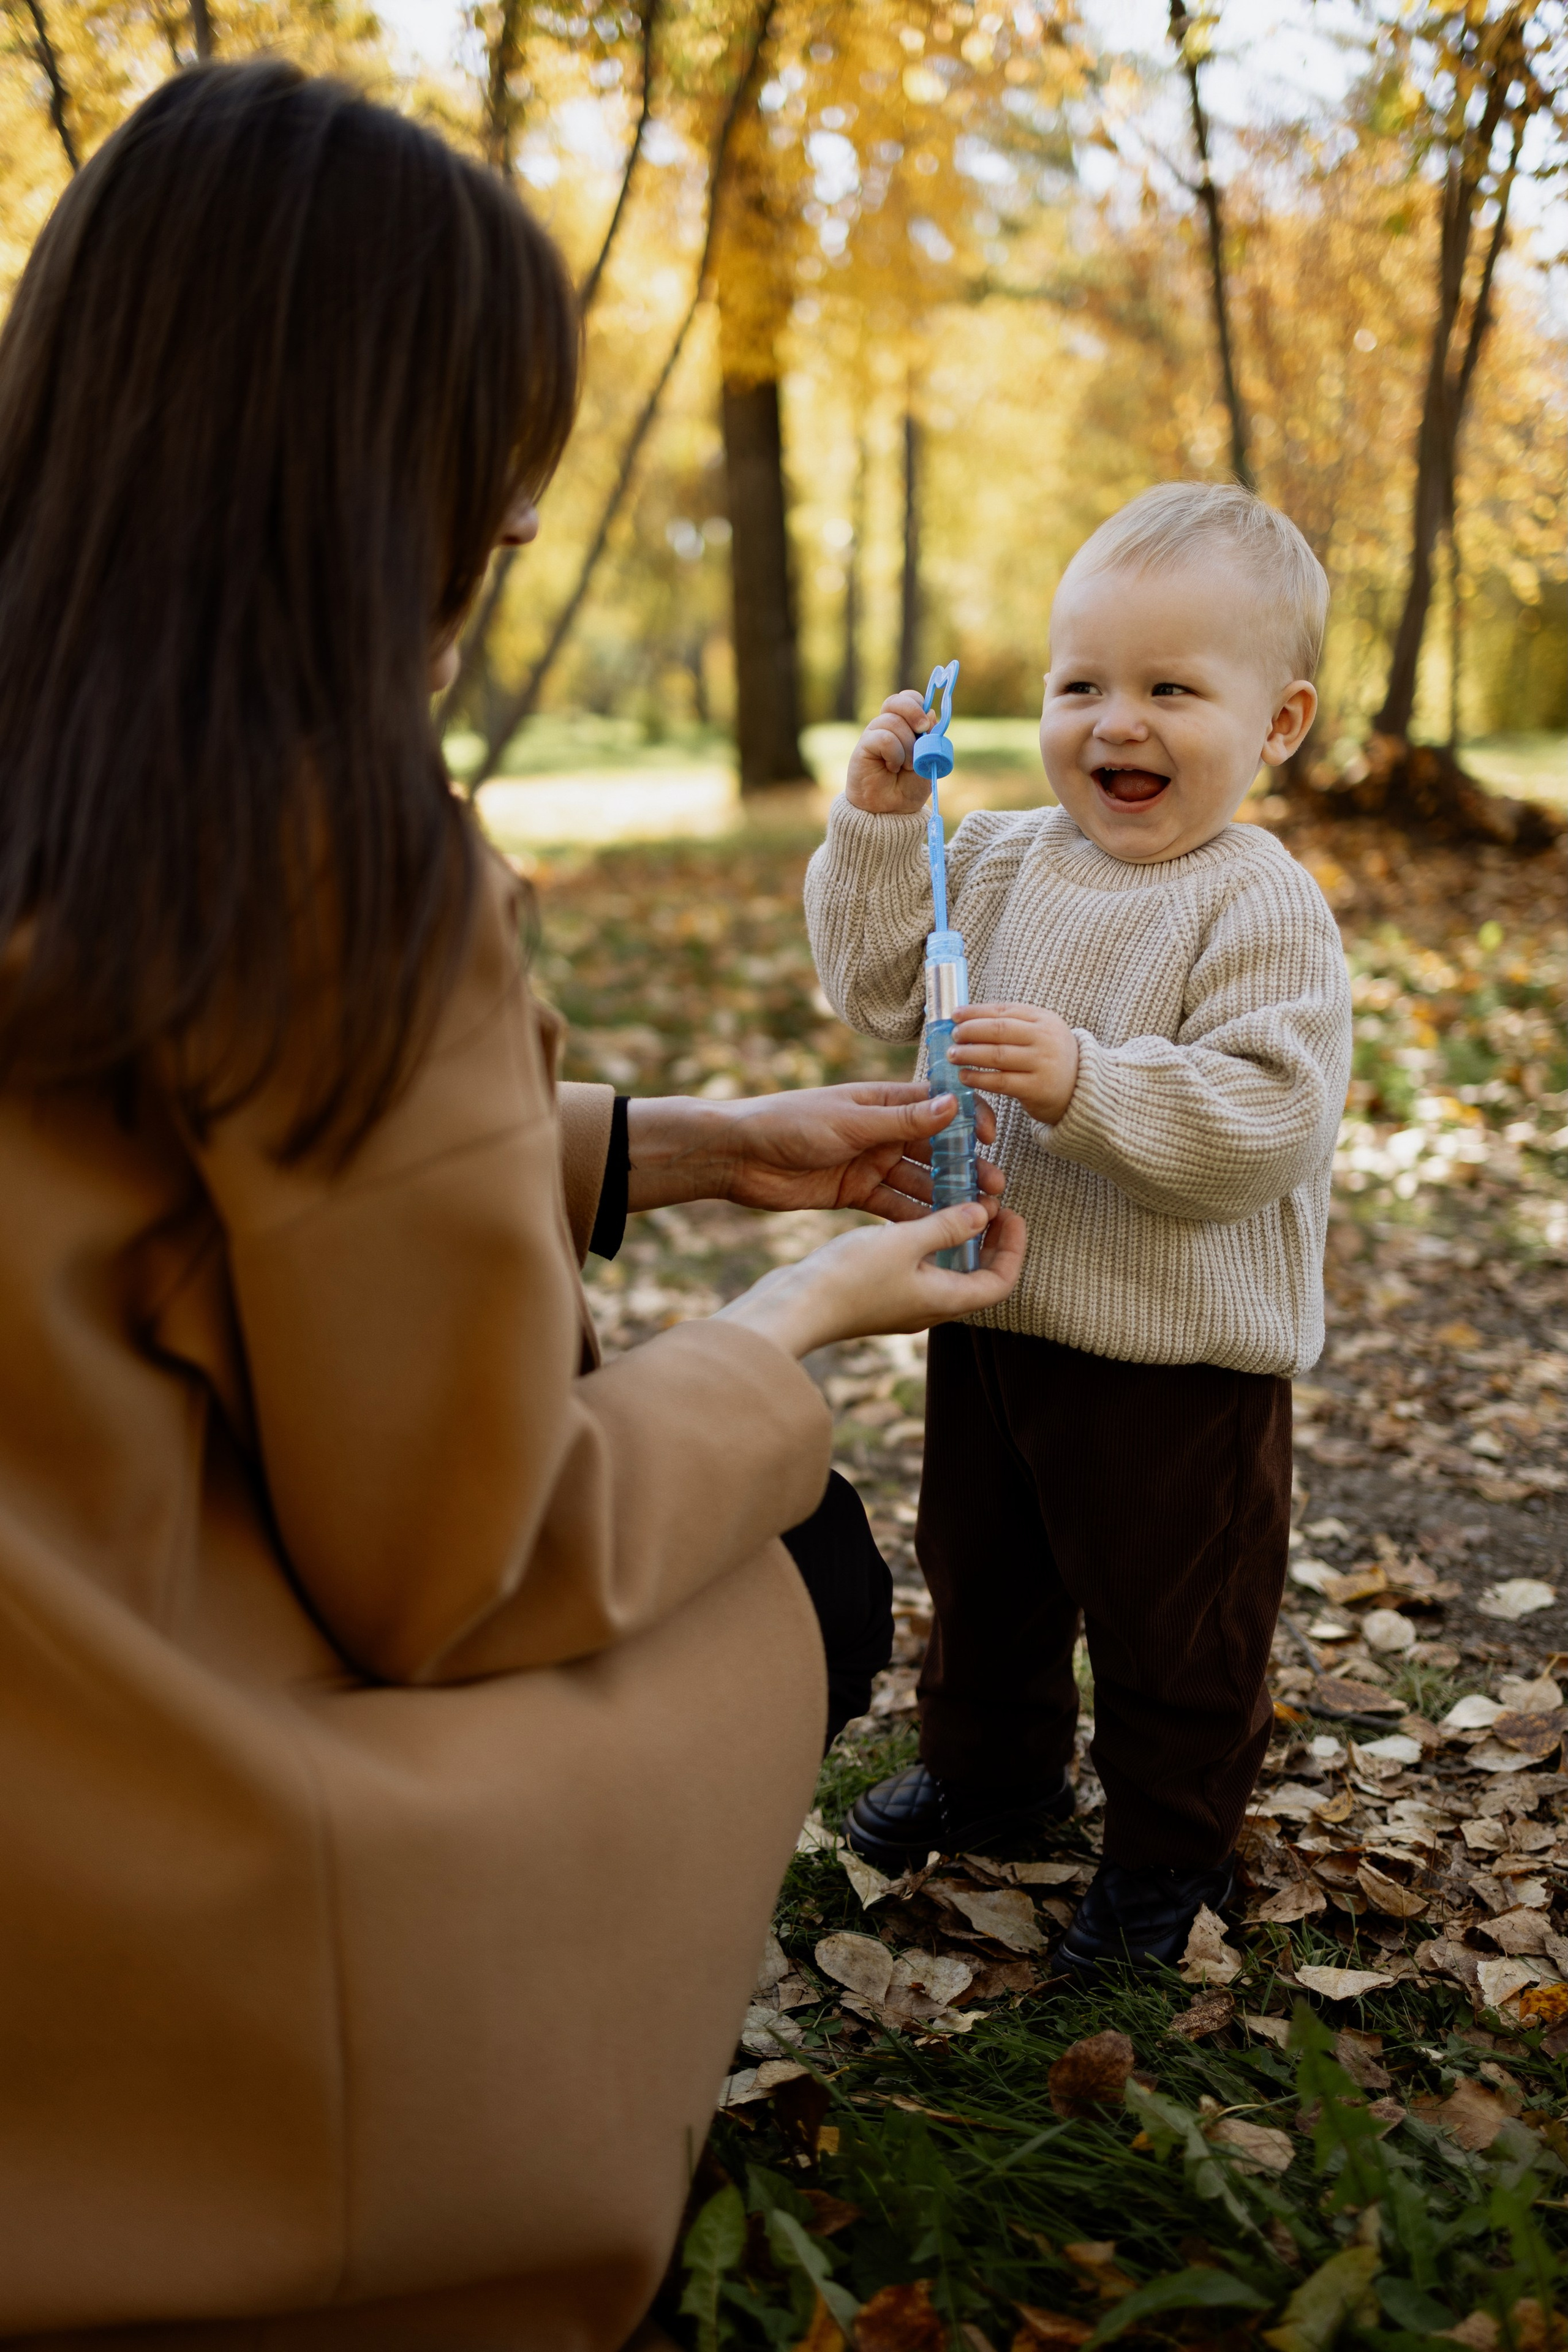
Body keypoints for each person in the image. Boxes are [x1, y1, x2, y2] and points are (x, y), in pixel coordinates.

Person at [0, 61, 1026, 2349]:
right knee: (804, 1553)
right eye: (500, 472)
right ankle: (512, 2103)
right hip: (143, 1920)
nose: (519, 528)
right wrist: (789, 1328)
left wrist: (688, 1142)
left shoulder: (82, 808)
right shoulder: (331, 868)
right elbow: (467, 1570)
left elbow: (141, 1173)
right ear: (386, 485)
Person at [805, 483, 1354, 1972]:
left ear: (1277, 724)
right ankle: (991, 1772)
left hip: (1178, 1361)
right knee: (983, 1574)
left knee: (1174, 1624)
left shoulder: (1257, 905)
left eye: (1170, 689)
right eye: (1079, 686)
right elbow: (873, 983)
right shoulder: (996, 857)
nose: (1117, 722)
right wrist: (879, 827)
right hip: (999, 1317)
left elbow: (1268, 1118)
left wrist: (1087, 1081)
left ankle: (1170, 1852)